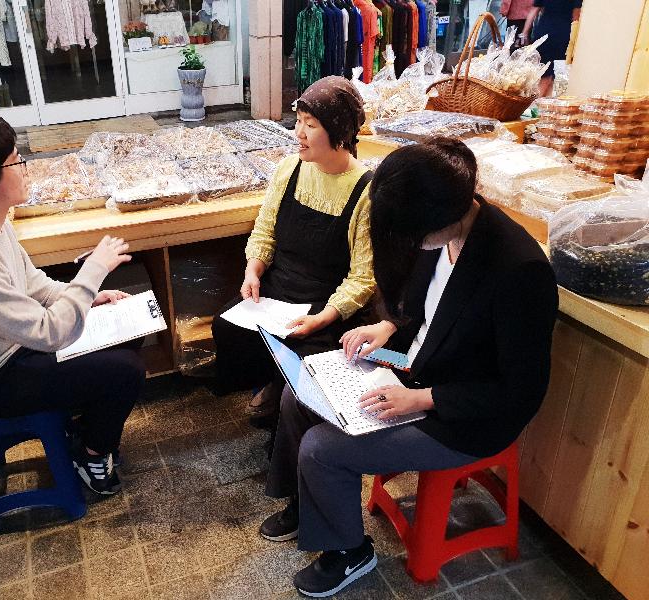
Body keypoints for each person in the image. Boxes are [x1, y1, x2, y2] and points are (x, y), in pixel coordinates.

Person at [259, 138, 559, 597]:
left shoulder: (518, 270)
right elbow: (423, 311)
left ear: (446, 215)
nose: (411, 245)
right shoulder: (442, 230)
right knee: (298, 394)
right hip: (417, 366)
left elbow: (522, 391)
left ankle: (350, 552)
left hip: (463, 415)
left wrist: (421, 398)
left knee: (323, 449)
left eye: (413, 235)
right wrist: (385, 328)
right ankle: (308, 503)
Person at [0, 112, 145, 496]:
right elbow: (49, 332)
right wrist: (92, 273)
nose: (26, 169)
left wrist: (91, 298)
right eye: (16, 162)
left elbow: (33, 284)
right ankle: (91, 454)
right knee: (126, 371)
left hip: (12, 347)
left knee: (128, 327)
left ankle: (83, 429)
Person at [212, 76, 376, 425]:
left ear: (338, 131)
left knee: (302, 367)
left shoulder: (366, 191)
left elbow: (362, 279)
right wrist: (253, 270)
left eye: (310, 125)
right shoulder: (290, 168)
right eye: (298, 121)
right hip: (278, 288)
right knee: (226, 325)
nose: (298, 132)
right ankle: (269, 382)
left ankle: (284, 402)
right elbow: (265, 230)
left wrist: (323, 317)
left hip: (324, 302)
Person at [524, 0, 583, 97]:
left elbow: (534, 10)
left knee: (541, 72)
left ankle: (534, 101)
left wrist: (525, 33)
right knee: (554, 75)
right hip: (563, 34)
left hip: (543, 31)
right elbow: (576, 17)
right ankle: (542, 102)